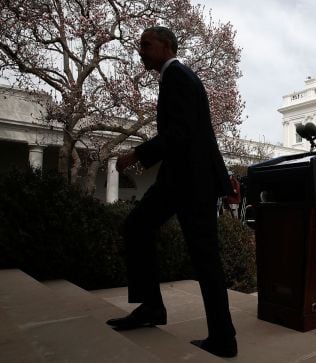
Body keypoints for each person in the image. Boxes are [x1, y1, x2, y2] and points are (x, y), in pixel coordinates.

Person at [107, 27, 237, 358]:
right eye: (139, 45)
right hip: (180, 179)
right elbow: (181, 136)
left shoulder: (177, 75)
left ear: (166, 46)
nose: (140, 50)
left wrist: (137, 155)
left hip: (193, 183)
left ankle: (223, 338)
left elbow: (180, 132)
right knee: (138, 227)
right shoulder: (175, 77)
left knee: (204, 257)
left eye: (146, 45)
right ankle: (151, 308)